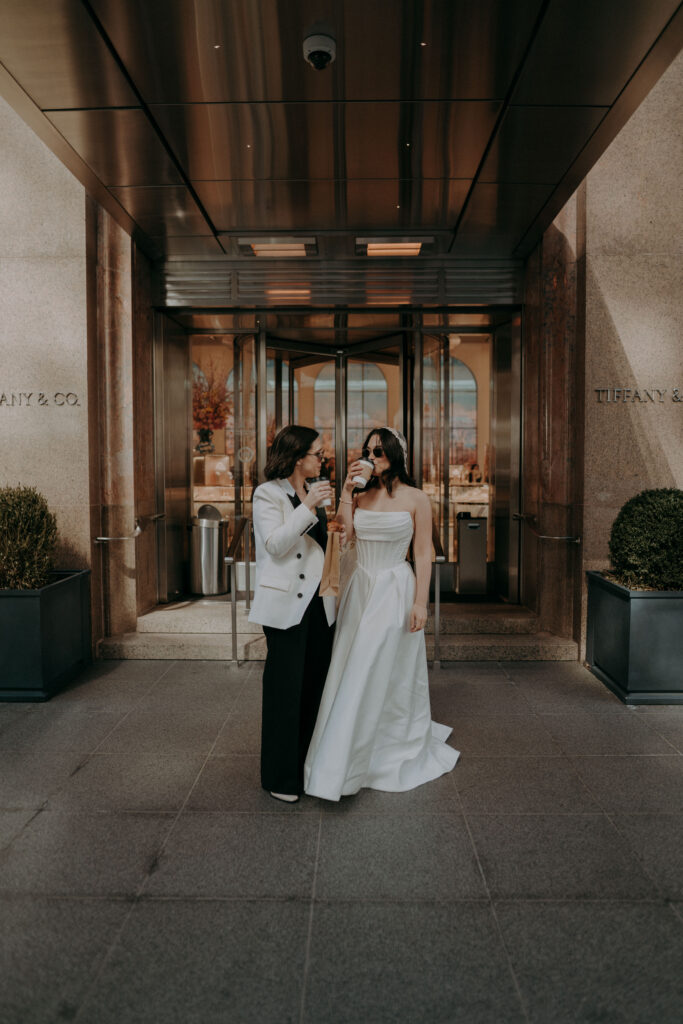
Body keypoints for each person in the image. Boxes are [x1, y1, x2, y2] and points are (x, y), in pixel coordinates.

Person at [304, 427, 459, 801]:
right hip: (362, 588)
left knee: (384, 667)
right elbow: (345, 536)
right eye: (369, 451)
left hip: (395, 588)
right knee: (353, 665)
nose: (373, 457)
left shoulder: (418, 498)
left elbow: (423, 553)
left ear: (395, 454)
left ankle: (383, 749)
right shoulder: (360, 495)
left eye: (380, 451)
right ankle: (348, 748)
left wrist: (421, 602)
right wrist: (345, 493)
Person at [249, 425, 336, 803]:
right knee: (285, 689)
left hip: (318, 603)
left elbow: (319, 548)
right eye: (318, 453)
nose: (323, 459)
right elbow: (276, 545)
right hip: (286, 604)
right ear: (299, 456)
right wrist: (309, 506)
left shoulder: (313, 493)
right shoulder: (268, 493)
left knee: (314, 685)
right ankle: (280, 777)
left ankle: (306, 766)